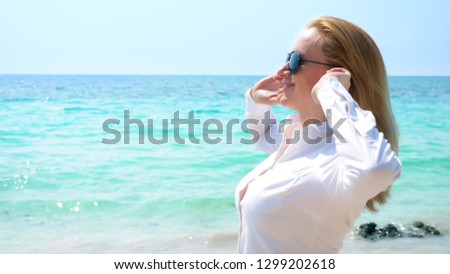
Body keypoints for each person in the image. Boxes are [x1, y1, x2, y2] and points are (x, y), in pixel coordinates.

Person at [235, 16, 402, 253]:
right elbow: (263, 133)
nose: (282, 70)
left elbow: (376, 169)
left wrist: (332, 91)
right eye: (286, 58)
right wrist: (255, 99)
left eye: (295, 61)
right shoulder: (303, 140)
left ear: (338, 75)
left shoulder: (337, 159)